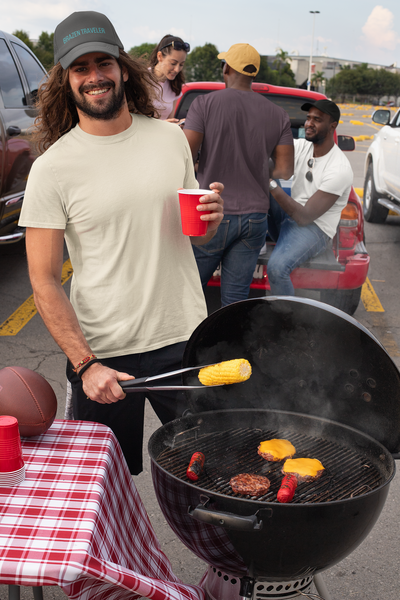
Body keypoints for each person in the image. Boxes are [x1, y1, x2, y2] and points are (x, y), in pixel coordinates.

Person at [18, 10, 224, 475]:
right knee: (102, 485)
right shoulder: (52, 169)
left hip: (183, 338)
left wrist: (211, 219)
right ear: (66, 80)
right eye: (80, 68)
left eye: (103, 63)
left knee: (209, 470)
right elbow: (44, 281)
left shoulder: (171, 142)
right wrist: (85, 363)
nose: (95, 77)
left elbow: (195, 232)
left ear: (123, 67)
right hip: (104, 353)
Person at [183, 43, 294, 307]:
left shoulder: (204, 104)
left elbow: (184, 156)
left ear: (227, 69)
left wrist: (202, 164)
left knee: (189, 291)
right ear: (253, 74)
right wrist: (256, 165)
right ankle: (229, 347)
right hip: (256, 218)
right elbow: (285, 170)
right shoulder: (278, 114)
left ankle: (186, 346)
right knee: (235, 301)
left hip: (213, 214)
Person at [267, 99, 353, 296]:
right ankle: (246, 236)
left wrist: (269, 183)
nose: (308, 124)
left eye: (317, 119)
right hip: (289, 219)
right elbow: (269, 149)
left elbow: (305, 217)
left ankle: (284, 321)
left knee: (277, 269)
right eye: (308, 118)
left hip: (314, 229)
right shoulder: (301, 147)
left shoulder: (339, 169)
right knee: (261, 165)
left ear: (332, 126)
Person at [149, 35, 190, 122]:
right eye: (173, 63)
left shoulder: (175, 85)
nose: (177, 69)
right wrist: (163, 125)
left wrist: (178, 123)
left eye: (181, 64)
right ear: (159, 56)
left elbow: (170, 120)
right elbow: (133, 120)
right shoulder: (142, 80)